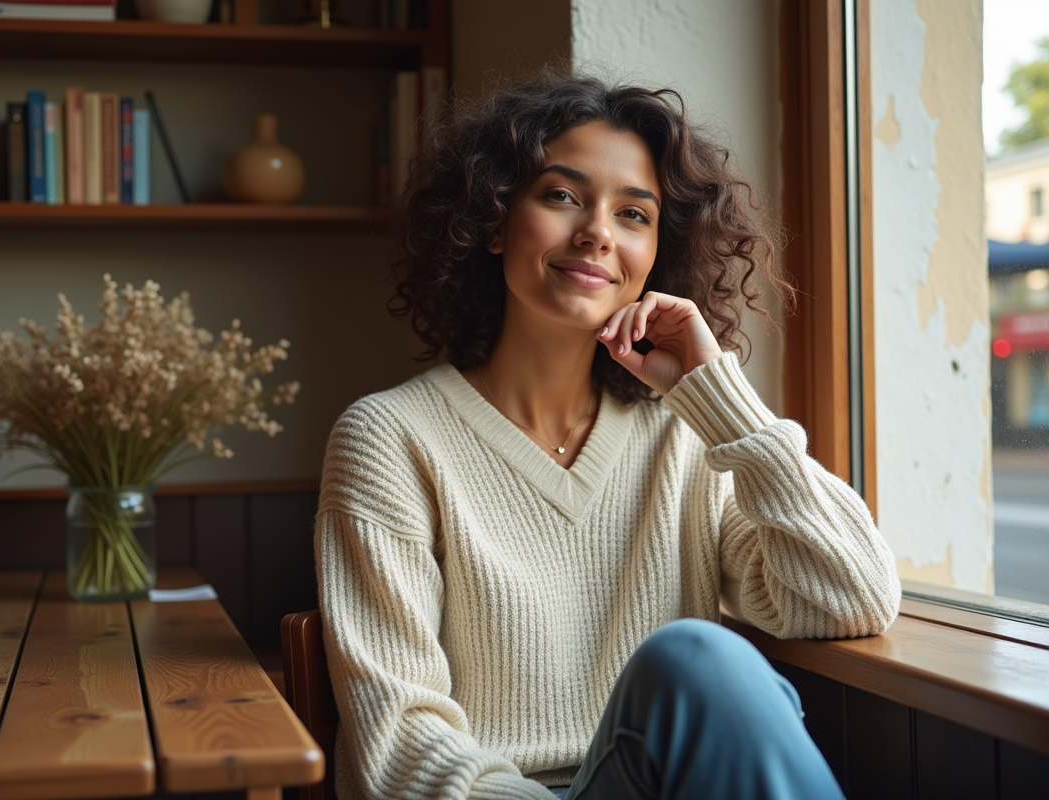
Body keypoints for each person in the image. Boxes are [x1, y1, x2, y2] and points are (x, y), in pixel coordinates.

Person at [315, 73, 901, 800]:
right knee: (700, 659)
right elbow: (400, 747)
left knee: (704, 665)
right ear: (494, 219)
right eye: (561, 196)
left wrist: (720, 397)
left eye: (634, 214)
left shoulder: (686, 438)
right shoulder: (390, 438)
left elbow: (850, 598)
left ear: (658, 254)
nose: (596, 231)